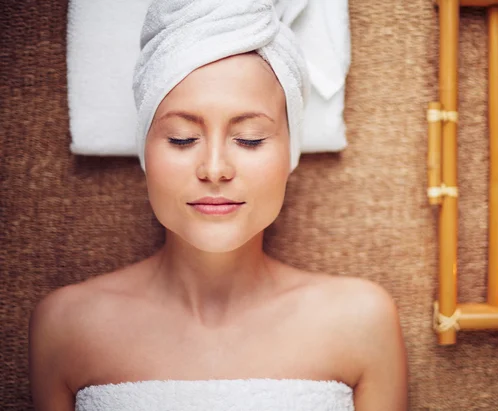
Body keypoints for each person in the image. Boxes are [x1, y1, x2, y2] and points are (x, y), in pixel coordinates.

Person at [29, 1, 408, 410]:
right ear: (145, 152)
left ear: (290, 153)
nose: (214, 169)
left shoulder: (361, 321)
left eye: (249, 139)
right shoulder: (67, 327)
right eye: (181, 139)